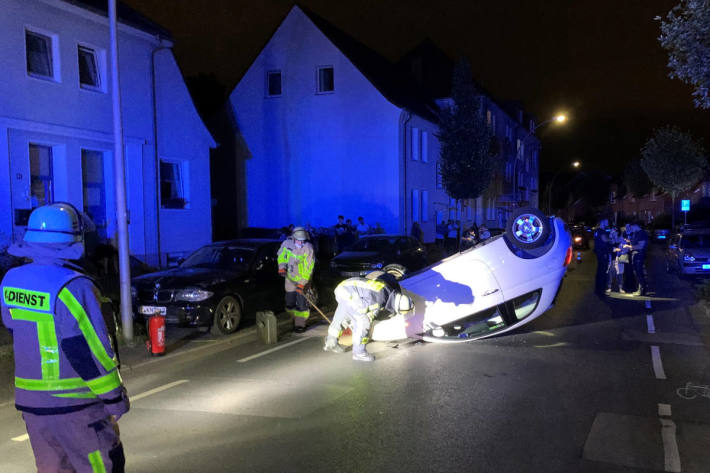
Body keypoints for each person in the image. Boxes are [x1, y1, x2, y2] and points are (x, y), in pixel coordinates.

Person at [0, 203, 129, 472]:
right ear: (74, 237)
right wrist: (114, 397)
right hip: (77, 408)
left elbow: (12, 326)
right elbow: (89, 350)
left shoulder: (11, 280)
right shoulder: (74, 286)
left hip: (33, 408)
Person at [323, 271, 414, 362]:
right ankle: (359, 353)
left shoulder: (388, 290)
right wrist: (367, 320)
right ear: (397, 307)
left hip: (344, 288)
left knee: (343, 316)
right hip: (350, 293)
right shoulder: (380, 299)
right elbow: (364, 312)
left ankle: (331, 341)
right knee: (363, 323)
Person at [277, 226, 316, 333]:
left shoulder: (308, 248)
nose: (300, 243)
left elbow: (309, 268)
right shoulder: (286, 244)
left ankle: (300, 324)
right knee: (290, 302)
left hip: (303, 280)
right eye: (299, 240)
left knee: (301, 303)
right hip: (290, 279)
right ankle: (293, 319)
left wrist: (302, 284)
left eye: (302, 241)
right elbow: (281, 256)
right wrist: (281, 267)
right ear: (293, 238)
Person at [627, 222, 649, 296]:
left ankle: (642, 290)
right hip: (636, 255)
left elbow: (641, 246)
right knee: (637, 273)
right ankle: (640, 289)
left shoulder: (641, 233)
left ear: (635, 226)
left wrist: (629, 247)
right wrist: (629, 237)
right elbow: (633, 243)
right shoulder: (636, 233)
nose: (631, 229)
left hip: (639, 255)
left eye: (631, 228)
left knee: (639, 273)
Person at [593, 218, 612, 297]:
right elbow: (605, 239)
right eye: (607, 221)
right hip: (603, 253)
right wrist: (611, 239)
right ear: (603, 222)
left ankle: (598, 290)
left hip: (600, 253)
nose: (608, 223)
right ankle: (601, 291)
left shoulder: (597, 231)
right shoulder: (601, 231)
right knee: (603, 272)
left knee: (600, 272)